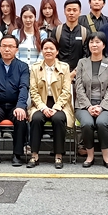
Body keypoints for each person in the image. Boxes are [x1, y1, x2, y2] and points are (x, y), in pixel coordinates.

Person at [0, 35, 30, 167]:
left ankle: (17, 154)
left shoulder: (23, 67)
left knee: (20, 117)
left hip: (15, 105)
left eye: (10, 46)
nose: (7, 49)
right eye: (4, 46)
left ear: (16, 50)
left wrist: (20, 106)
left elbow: (24, 87)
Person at [27, 38, 73, 169]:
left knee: (58, 119)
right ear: (42, 51)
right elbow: (33, 91)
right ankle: (34, 155)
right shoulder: (35, 68)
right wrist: (43, 107)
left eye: (51, 48)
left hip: (59, 103)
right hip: (40, 103)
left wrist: (56, 107)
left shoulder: (64, 67)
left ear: (57, 51)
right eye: (45, 48)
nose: (48, 51)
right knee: (36, 118)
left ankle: (58, 155)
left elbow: (66, 91)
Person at [75, 32, 108, 169]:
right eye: (91, 42)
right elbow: (78, 87)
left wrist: (101, 107)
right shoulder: (82, 62)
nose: (94, 45)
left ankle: (106, 156)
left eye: (98, 42)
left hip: (107, 106)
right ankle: (90, 156)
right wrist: (89, 106)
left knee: (101, 122)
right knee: (87, 123)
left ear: (104, 45)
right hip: (84, 105)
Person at [54, 0, 88, 76]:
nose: (71, 13)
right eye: (68, 10)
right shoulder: (57, 31)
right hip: (59, 73)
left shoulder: (85, 32)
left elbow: (86, 56)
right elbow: (53, 52)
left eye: (75, 10)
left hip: (80, 74)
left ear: (79, 12)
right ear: (64, 12)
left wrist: (74, 72)